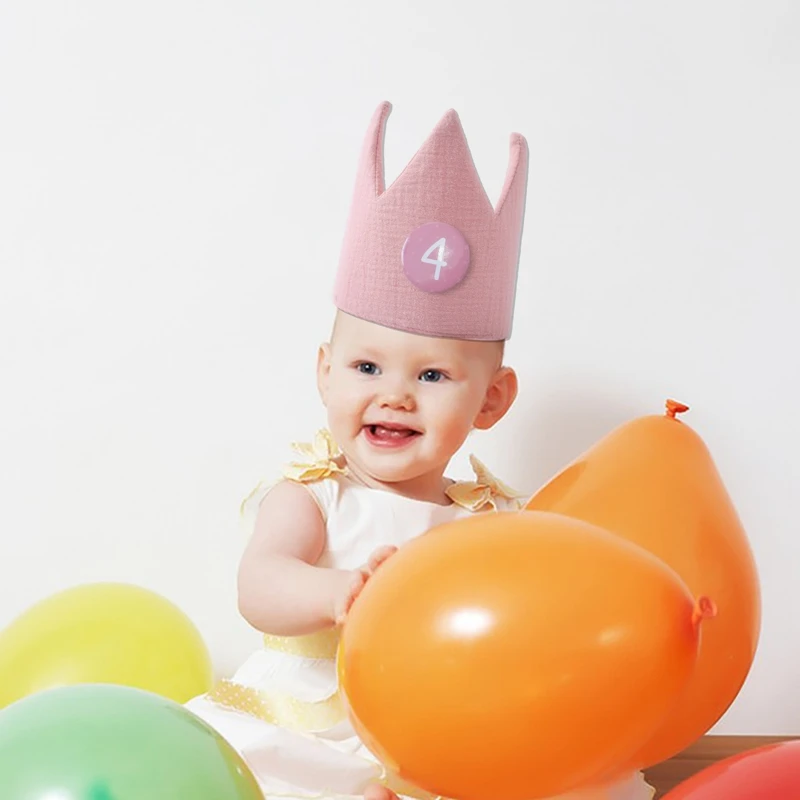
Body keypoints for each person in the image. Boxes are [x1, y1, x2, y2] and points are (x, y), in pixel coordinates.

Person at [186, 102, 654, 800]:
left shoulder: (493, 523)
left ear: (491, 401)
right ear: (325, 371)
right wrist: (343, 592)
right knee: (253, 776)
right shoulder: (313, 496)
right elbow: (260, 586)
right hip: (316, 726)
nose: (395, 396)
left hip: (445, 725)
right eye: (366, 368)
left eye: (432, 376)